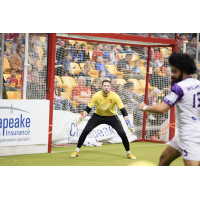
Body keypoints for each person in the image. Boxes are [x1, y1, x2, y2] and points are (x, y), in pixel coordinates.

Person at [137, 52, 200, 166]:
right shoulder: (198, 83)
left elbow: (163, 109)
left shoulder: (179, 86)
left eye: (175, 71)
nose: (172, 75)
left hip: (190, 135)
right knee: (163, 159)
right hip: (186, 132)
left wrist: (144, 107)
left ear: (184, 71)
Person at [70, 79, 136, 159]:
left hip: (112, 116)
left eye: (107, 86)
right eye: (104, 86)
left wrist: (128, 123)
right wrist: (81, 119)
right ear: (102, 87)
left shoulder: (115, 96)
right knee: (85, 131)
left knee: (122, 133)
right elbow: (88, 109)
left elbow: (123, 111)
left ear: (110, 87)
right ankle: (76, 151)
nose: (106, 87)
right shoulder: (97, 95)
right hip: (97, 116)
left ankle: (129, 153)